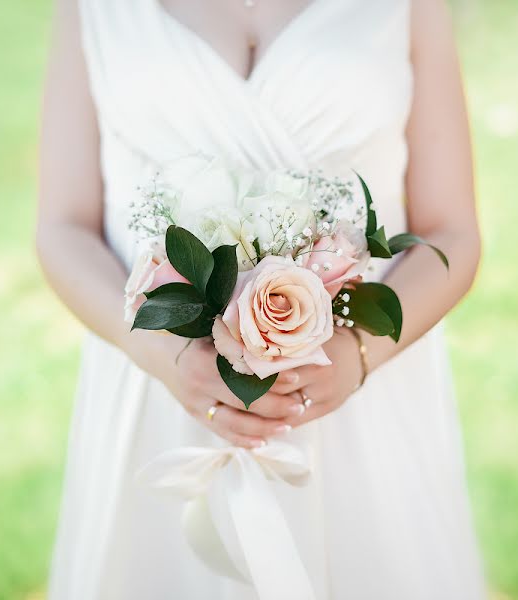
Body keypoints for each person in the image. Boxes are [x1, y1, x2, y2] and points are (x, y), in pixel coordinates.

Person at [36, 0, 486, 597]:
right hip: (161, 395)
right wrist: (159, 356)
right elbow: (64, 227)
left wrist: (357, 354)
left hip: (358, 398)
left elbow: (451, 232)